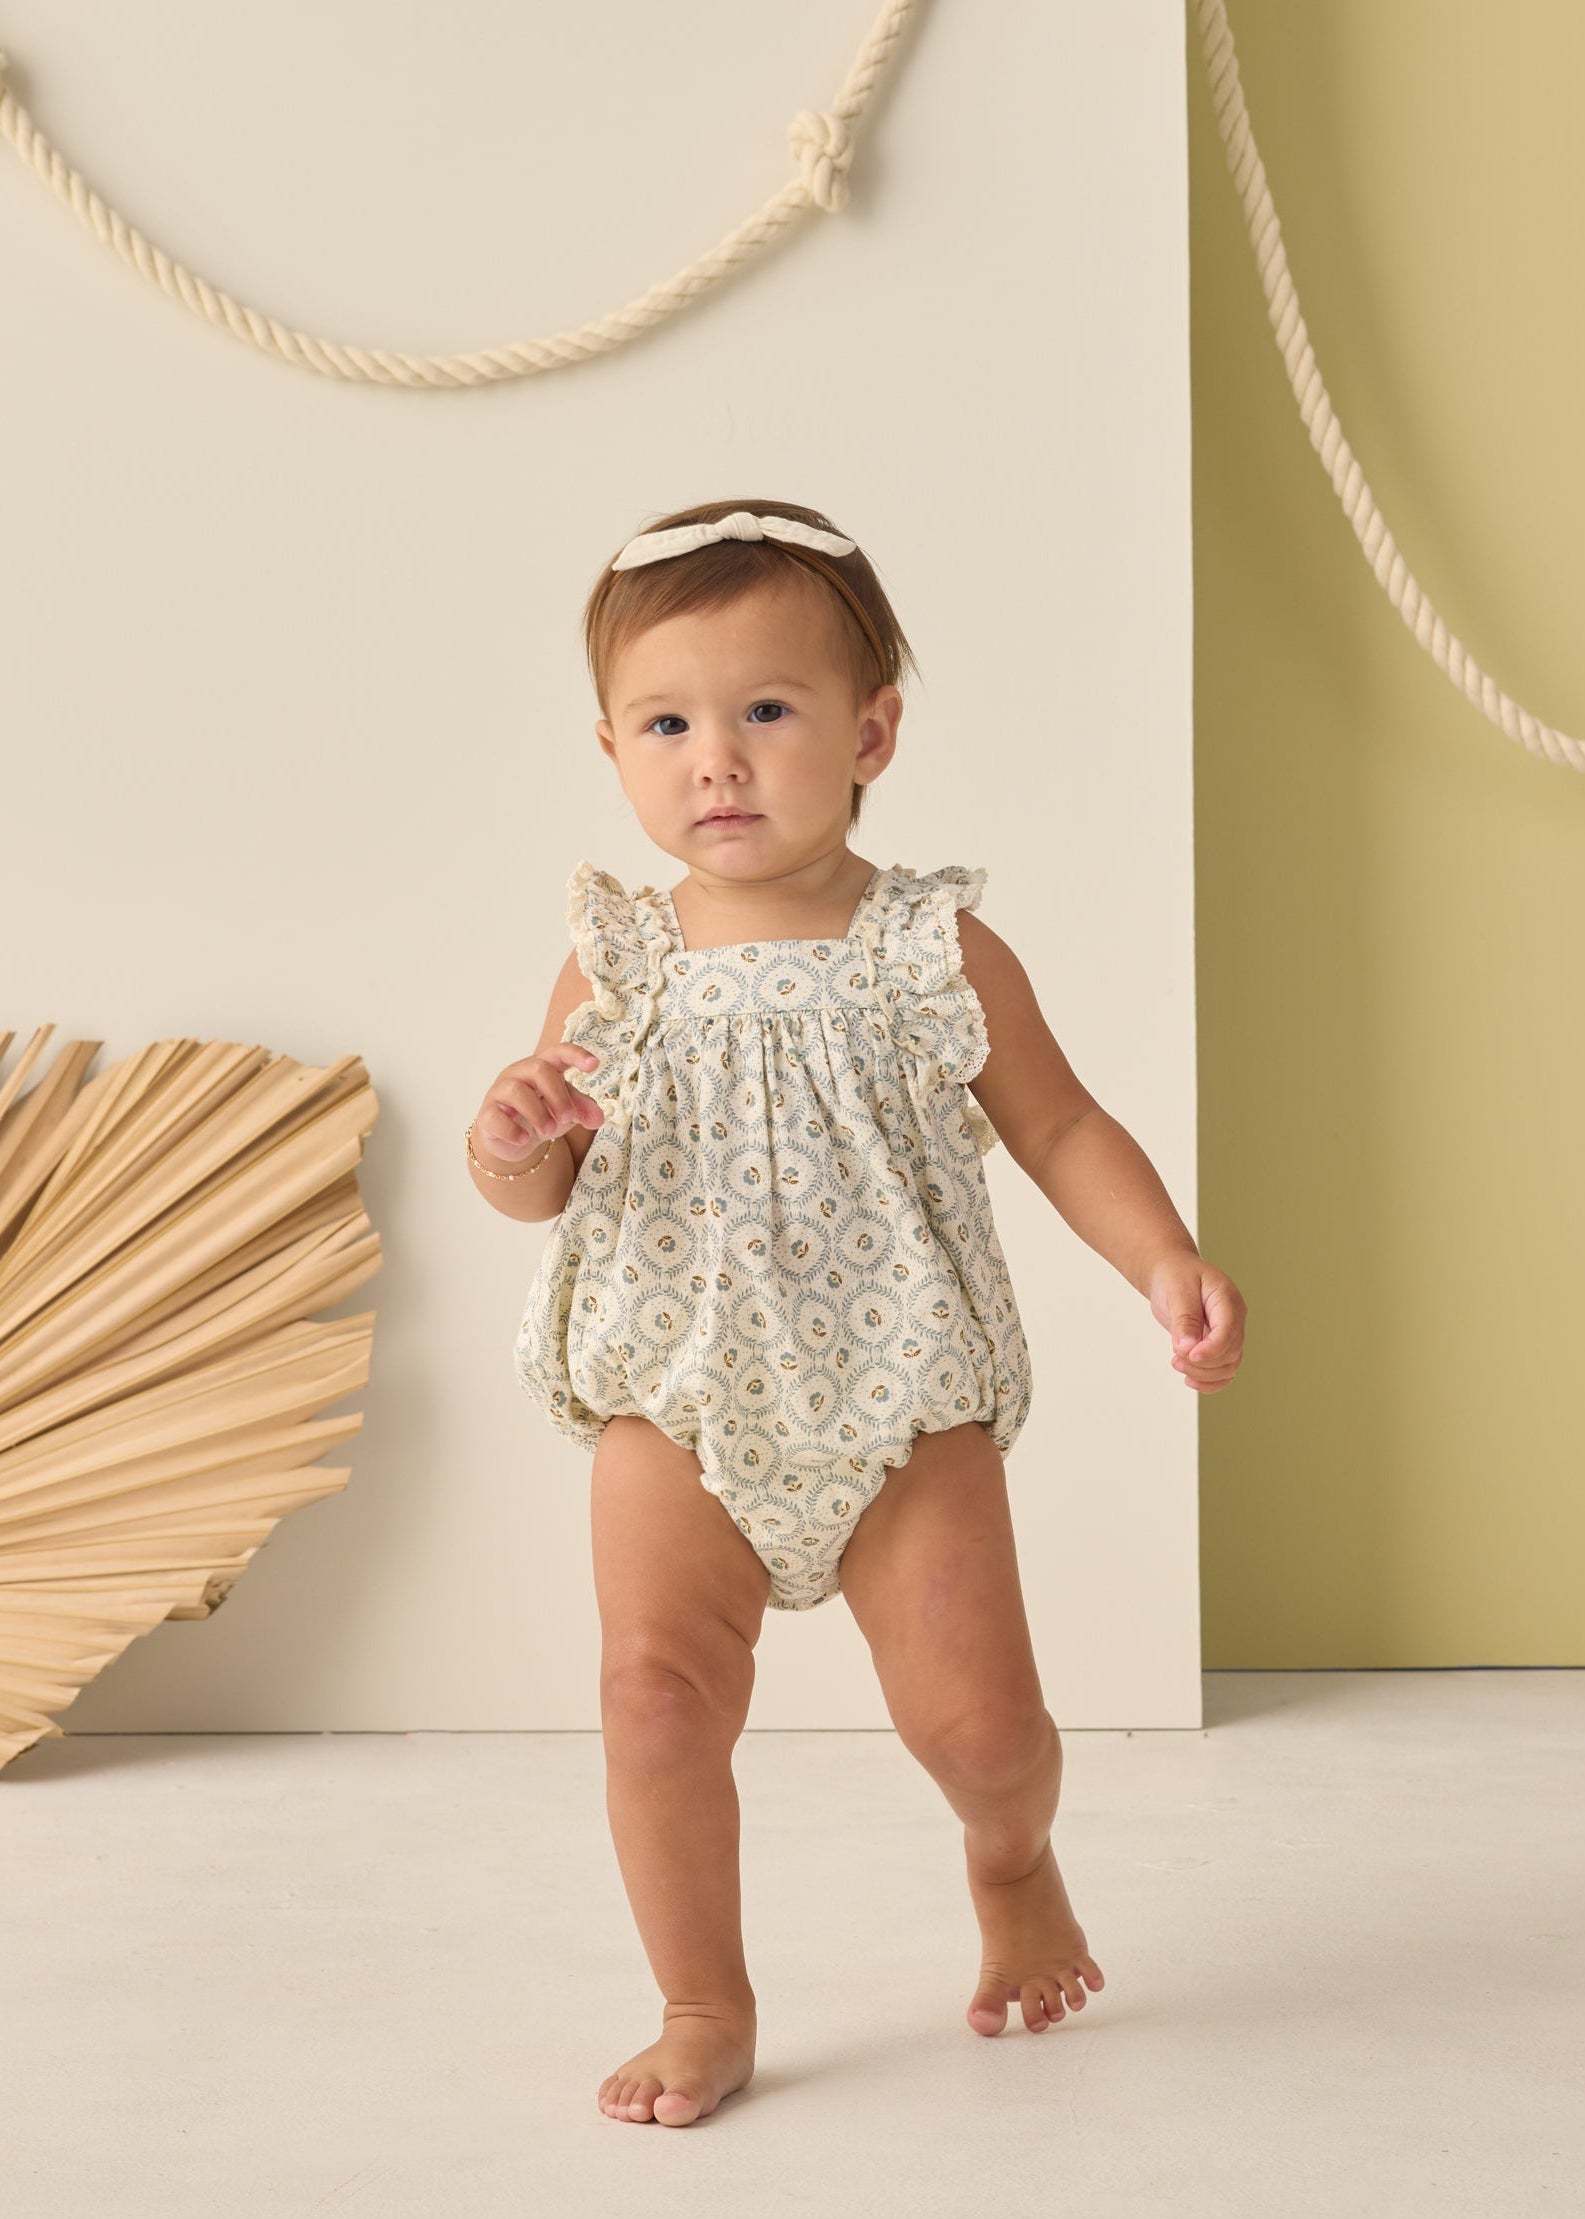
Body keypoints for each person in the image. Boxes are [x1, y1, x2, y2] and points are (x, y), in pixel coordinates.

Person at [466, 498, 1247, 2127]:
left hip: (901, 1393)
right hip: (675, 1394)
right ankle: (702, 1999)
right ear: (610, 746)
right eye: (668, 722)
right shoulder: (618, 963)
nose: (717, 761)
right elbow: (545, 1190)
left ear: (870, 729)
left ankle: (1012, 1858)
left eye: (767, 711)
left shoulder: (927, 947)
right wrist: (511, 1140)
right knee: (651, 1697)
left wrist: (1160, 1257)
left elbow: (1056, 1126)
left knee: (981, 1727)